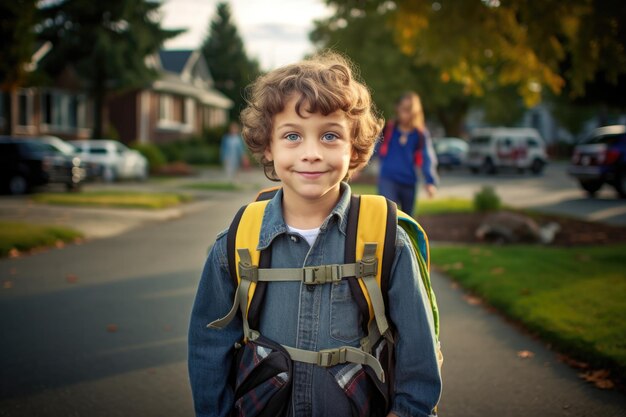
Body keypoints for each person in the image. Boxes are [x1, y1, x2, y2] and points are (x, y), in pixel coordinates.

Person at [188, 53, 442, 417]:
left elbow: (419, 353)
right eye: (292, 135)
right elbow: (207, 347)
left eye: (329, 135)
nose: (311, 153)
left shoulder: (388, 242)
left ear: (353, 148)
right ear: (269, 146)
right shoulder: (235, 243)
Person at [377, 92, 438, 216]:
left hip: (409, 181)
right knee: (387, 215)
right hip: (388, 178)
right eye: (403, 109)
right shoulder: (389, 128)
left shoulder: (420, 134)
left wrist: (430, 181)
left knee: (408, 219)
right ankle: (387, 236)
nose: (405, 114)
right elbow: (374, 149)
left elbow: (427, 158)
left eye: (409, 110)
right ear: (397, 109)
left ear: (415, 113)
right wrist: (358, 167)